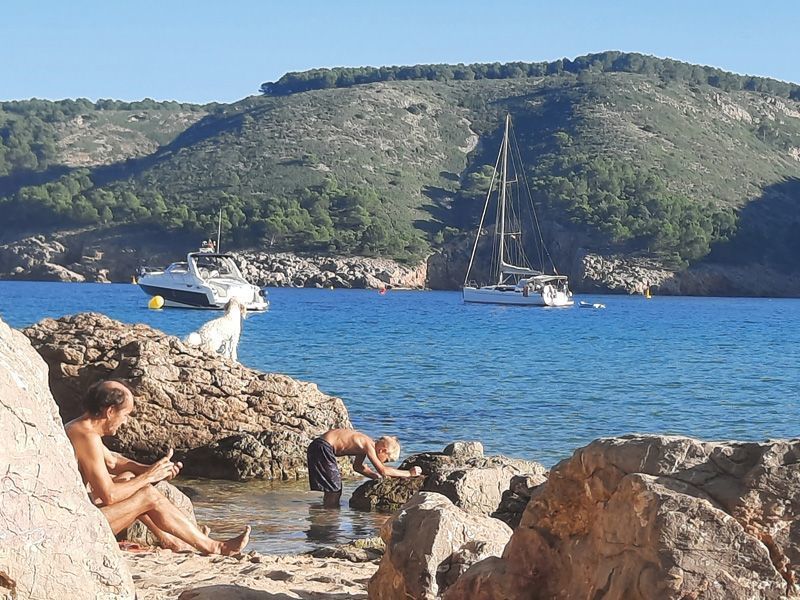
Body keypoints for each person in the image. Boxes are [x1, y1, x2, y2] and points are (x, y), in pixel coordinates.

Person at [65, 379, 250, 555]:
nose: (126, 421)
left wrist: (152, 469)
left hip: (81, 511)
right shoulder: (86, 436)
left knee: (128, 478)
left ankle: (171, 540)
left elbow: (112, 462)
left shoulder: (82, 428)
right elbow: (109, 495)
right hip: (79, 525)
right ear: (110, 411)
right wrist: (148, 477)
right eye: (125, 415)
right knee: (148, 495)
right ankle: (214, 547)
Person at [307, 428, 422, 508]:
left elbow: (357, 467)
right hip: (323, 447)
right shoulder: (368, 445)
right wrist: (409, 473)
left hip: (318, 446)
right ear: (383, 450)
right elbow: (383, 470)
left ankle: (324, 511)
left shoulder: (363, 444)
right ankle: (329, 517)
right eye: (387, 460)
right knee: (335, 489)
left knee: (332, 488)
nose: (386, 462)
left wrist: (373, 476)